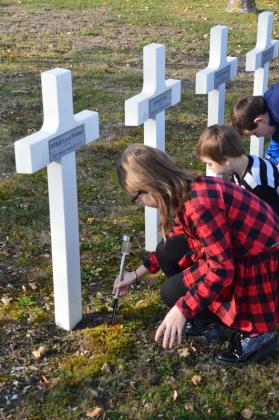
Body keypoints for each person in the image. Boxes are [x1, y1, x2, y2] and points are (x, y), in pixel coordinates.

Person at [113, 143, 279, 366]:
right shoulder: (187, 189)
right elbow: (182, 232)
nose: (139, 204)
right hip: (237, 249)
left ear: (150, 185)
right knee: (166, 250)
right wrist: (137, 273)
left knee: (170, 293)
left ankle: (258, 334)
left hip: (256, 260)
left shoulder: (199, 205)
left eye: (136, 197)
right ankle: (212, 323)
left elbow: (222, 269)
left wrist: (183, 308)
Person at [196, 124, 279, 217]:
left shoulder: (255, 183)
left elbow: (270, 217)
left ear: (225, 160)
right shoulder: (245, 163)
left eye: (210, 164)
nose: (209, 167)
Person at [231, 83, 279, 165]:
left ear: (259, 121)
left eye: (254, 133)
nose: (257, 137)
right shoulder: (269, 114)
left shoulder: (276, 111)